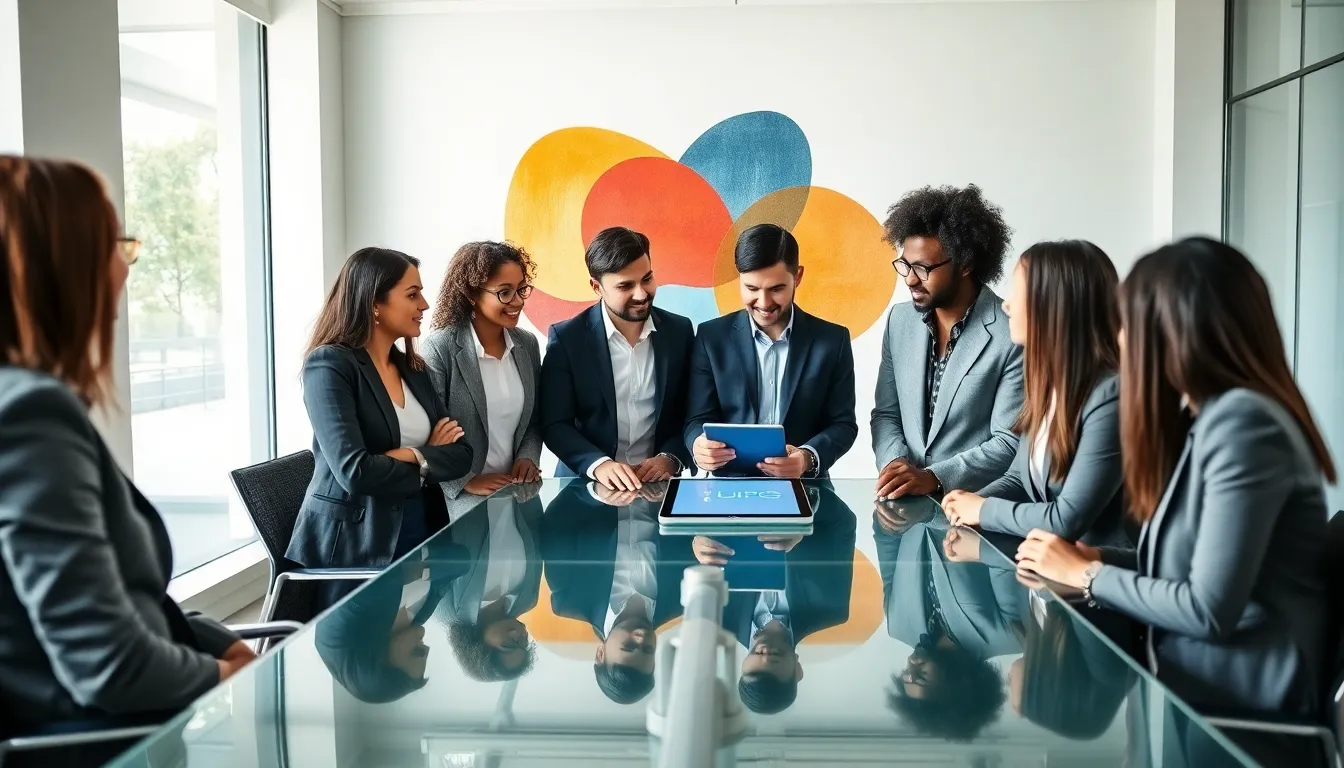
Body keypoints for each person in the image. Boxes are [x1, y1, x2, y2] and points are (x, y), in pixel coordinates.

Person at [1016, 238, 1336, 758]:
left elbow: (1210, 609)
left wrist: (1087, 576)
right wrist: (1098, 556)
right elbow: (1196, 567)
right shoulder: (1211, 419)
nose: (1119, 339)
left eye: (1128, 322)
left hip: (1231, 721)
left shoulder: (1244, 426)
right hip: (1193, 701)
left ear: (1171, 331)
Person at [0, 157, 254, 749]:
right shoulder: (31, 414)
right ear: (60, 265)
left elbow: (108, 596)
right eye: (116, 243)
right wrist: (226, 675)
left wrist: (212, 640)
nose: (125, 265)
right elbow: (108, 665)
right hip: (105, 745)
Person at [289, 248, 473, 597]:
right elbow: (354, 472)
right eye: (412, 294)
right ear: (375, 301)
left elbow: (463, 453)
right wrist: (428, 454)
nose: (425, 305)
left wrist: (410, 455)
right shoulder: (329, 365)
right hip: (358, 544)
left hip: (423, 529)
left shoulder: (413, 369)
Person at [942, 241, 1130, 547]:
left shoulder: (1111, 396)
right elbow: (1019, 478)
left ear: (1055, 303)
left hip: (1094, 581)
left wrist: (984, 510)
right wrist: (966, 504)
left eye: (1019, 291)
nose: (1006, 304)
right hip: (1047, 575)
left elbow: (1067, 520)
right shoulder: (1050, 386)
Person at [871, 184, 1023, 500]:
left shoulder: (1012, 334)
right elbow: (887, 414)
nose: (910, 279)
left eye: (923, 268)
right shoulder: (900, 320)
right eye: (905, 265)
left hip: (975, 515)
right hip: (905, 513)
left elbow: (1009, 442)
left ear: (965, 264)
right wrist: (896, 465)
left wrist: (934, 477)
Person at [685, 224, 857, 477]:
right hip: (727, 490)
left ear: (797, 277)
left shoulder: (833, 340)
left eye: (776, 289)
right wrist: (697, 445)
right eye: (752, 289)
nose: (764, 303)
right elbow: (695, 419)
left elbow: (843, 424)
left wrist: (806, 458)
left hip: (806, 487)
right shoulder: (711, 337)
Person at [541, 226, 695, 490]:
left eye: (647, 279)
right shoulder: (567, 339)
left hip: (658, 490)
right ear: (597, 287)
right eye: (625, 286)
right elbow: (555, 423)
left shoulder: (679, 332)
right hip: (585, 491)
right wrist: (598, 464)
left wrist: (671, 458)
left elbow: (690, 412)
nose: (641, 294)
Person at [692, 484, 856, 714]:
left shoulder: (715, 615)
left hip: (729, 479)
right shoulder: (830, 609)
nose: (766, 653)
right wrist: (803, 520)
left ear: (742, 667)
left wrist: (694, 540)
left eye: (756, 659)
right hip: (799, 476)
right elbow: (844, 524)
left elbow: (684, 550)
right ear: (797, 670)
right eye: (775, 658)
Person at [541, 481, 694, 704]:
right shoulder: (681, 600)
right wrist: (670, 496)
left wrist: (598, 492)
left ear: (600, 654)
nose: (641, 638)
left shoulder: (570, 599)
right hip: (662, 472)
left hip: (600, 470)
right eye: (648, 649)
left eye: (629, 646)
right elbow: (695, 526)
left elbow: (557, 525)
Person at [421, 241, 543, 517]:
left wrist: (528, 456)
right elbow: (428, 433)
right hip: (464, 500)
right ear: (471, 294)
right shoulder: (440, 348)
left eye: (521, 289)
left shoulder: (527, 344)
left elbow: (534, 418)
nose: (518, 301)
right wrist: (466, 480)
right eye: (504, 293)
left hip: (519, 493)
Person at [876, 512, 1018, 741]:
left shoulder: (897, 624)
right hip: (971, 488)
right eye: (920, 675)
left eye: (906, 675)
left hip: (903, 488)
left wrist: (888, 517)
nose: (911, 664)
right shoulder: (1006, 634)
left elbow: (887, 542)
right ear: (957, 686)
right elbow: (1005, 550)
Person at [434, 488, 543, 682]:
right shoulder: (528, 599)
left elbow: (436, 537)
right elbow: (535, 532)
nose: (517, 635)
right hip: (514, 481)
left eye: (509, 644)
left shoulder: (447, 610)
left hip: (465, 483)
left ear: (478, 648)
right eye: (523, 643)